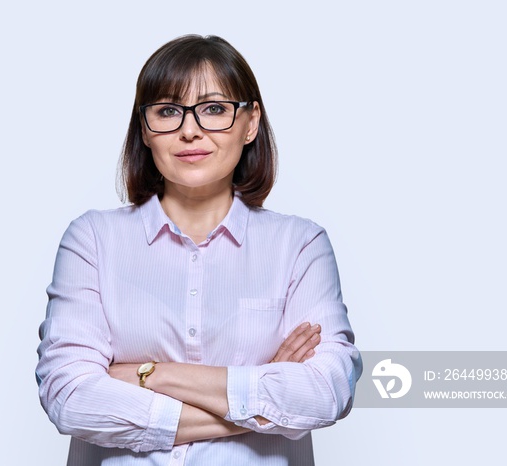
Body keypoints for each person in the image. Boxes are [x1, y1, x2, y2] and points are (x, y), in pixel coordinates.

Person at [36, 34, 362, 465]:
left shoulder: (300, 245)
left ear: (250, 123)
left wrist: (148, 376)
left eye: (214, 109)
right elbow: (69, 397)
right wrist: (263, 395)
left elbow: (326, 393)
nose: (190, 130)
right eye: (168, 111)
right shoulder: (93, 239)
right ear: (145, 129)